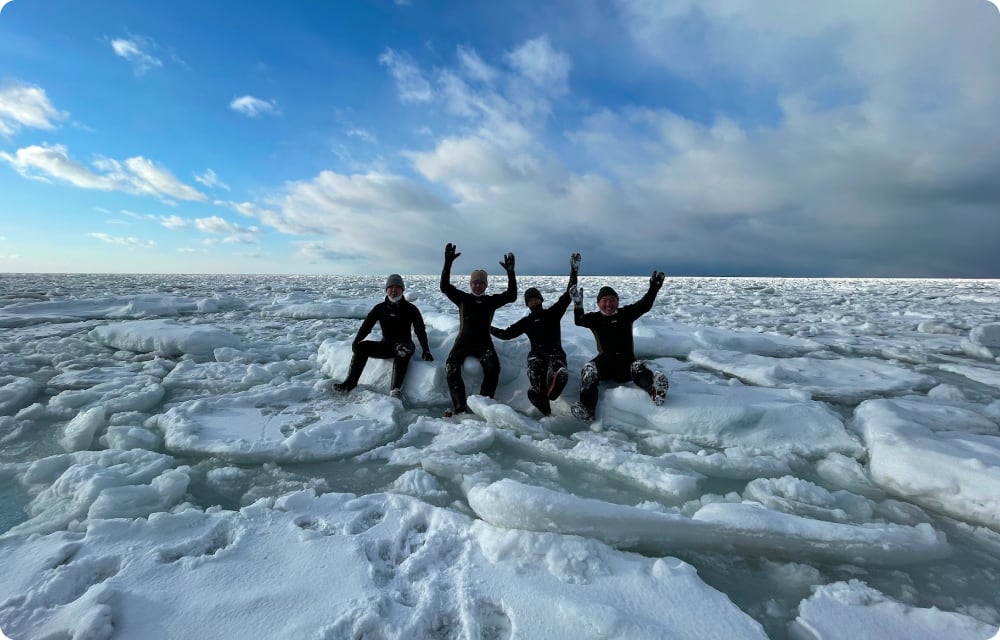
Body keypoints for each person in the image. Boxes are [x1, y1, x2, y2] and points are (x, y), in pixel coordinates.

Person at [570, 270, 669, 421]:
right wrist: (578, 304)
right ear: (598, 303)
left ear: (617, 301)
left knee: (639, 368)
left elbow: (644, 305)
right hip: (605, 363)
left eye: (611, 300)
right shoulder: (595, 318)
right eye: (604, 300)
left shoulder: (626, 314)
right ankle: (587, 410)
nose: (608, 304)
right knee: (588, 370)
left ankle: (655, 391)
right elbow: (579, 320)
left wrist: (653, 289)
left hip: (626, 363)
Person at [490, 253, 580, 416]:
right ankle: (541, 397)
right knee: (534, 369)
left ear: (541, 299)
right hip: (536, 354)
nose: (533, 302)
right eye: (530, 300)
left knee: (559, 368)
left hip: (555, 351)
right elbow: (506, 334)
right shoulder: (526, 321)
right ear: (527, 304)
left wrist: (574, 271)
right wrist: (488, 328)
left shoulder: (553, 313)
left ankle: (554, 389)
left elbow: (569, 294)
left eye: (535, 299)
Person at [440, 242, 517, 415]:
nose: (477, 285)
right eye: (475, 282)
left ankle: (483, 404)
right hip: (463, 342)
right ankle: (459, 406)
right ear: (470, 284)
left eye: (481, 283)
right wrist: (448, 262)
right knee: (451, 367)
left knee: (493, 367)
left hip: (483, 343)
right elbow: (445, 287)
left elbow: (511, 296)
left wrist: (510, 273)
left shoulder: (490, 301)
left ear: (486, 285)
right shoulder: (462, 299)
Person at [333, 274, 433, 398]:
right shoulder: (380, 308)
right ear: (386, 289)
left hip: (405, 345)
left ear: (402, 290)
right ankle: (350, 383)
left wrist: (426, 350)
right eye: (391, 287)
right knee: (361, 347)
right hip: (386, 346)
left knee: (402, 350)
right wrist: (357, 341)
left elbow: (420, 330)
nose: (394, 290)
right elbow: (366, 326)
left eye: (397, 287)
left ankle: (395, 390)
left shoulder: (410, 308)